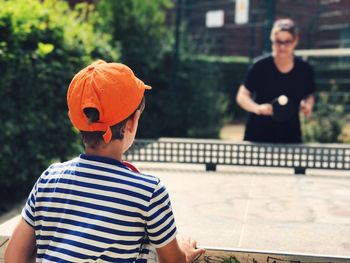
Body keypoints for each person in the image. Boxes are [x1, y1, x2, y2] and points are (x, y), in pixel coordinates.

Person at [4, 60, 205, 262]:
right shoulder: (149, 192)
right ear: (132, 122)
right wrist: (185, 254)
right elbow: (173, 261)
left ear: (75, 121)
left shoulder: (49, 178)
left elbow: (13, 257)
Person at [236, 18, 316, 143]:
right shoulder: (260, 66)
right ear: (272, 41)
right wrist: (257, 108)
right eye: (278, 42)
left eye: (287, 42)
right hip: (258, 136)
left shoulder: (304, 69)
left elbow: (309, 94)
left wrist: (308, 104)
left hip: (290, 136)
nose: (282, 47)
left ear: (295, 41)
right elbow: (241, 96)